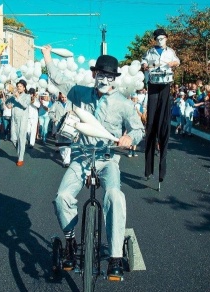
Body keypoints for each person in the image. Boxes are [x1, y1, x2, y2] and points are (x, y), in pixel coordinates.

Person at [42, 46, 144, 280]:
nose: (103, 79)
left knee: (115, 196)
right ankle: (70, 242)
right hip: (81, 157)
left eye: (108, 76)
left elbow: (138, 129)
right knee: (62, 197)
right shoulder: (80, 93)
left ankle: (116, 256)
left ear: (114, 79)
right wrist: (47, 56)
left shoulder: (123, 104)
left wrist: (130, 137)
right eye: (100, 74)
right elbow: (58, 79)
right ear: (94, 75)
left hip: (108, 159)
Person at [141, 28, 180, 184]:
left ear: (167, 38)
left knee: (164, 123)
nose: (160, 40)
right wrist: (145, 66)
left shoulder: (170, 51)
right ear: (155, 40)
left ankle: (162, 170)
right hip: (153, 85)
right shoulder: (150, 51)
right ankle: (148, 170)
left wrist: (172, 62)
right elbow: (143, 62)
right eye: (158, 38)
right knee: (151, 124)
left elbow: (178, 61)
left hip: (165, 85)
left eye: (163, 38)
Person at [8, 79, 30, 166]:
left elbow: (24, 105)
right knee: (13, 138)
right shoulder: (14, 96)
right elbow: (9, 105)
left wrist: (18, 97)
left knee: (21, 138)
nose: (18, 88)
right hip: (14, 119)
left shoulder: (27, 96)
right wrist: (7, 103)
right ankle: (20, 150)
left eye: (20, 86)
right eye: (18, 86)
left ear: (24, 88)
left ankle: (20, 158)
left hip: (22, 119)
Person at [49, 93, 73, 167]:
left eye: (65, 97)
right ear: (60, 97)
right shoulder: (56, 104)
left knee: (68, 142)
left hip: (68, 125)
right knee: (61, 143)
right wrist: (54, 119)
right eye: (62, 97)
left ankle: (66, 161)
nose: (64, 99)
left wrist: (72, 113)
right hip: (58, 125)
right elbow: (50, 113)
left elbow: (77, 112)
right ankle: (64, 157)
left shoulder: (71, 103)